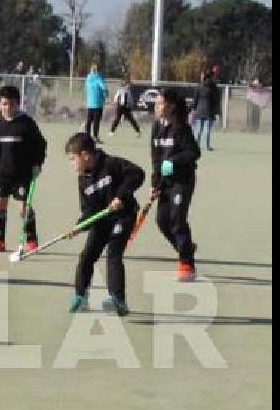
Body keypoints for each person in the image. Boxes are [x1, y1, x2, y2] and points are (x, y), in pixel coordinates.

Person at [63, 132, 144, 316]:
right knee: (87, 256)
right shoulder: (83, 180)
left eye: (72, 159)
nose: (71, 165)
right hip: (101, 220)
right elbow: (88, 210)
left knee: (113, 253)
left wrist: (121, 196)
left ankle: (118, 299)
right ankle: (80, 296)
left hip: (124, 216)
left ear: (85, 155)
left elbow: (137, 173)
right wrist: (79, 226)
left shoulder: (111, 163)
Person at [0, 85, 47, 253]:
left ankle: (31, 239)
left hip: (23, 174)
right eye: (4, 104)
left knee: (23, 208)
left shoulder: (26, 123)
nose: (8, 108)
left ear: (18, 104)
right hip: (3, 173)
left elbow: (40, 145)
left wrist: (38, 163)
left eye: (12, 104)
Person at [151, 88, 202, 282]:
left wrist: (173, 161)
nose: (156, 107)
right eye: (155, 103)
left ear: (170, 106)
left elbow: (194, 152)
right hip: (165, 182)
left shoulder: (181, 127)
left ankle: (186, 262)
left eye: (160, 103)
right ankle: (186, 247)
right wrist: (154, 183)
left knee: (177, 220)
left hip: (182, 180)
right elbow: (155, 157)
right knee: (162, 221)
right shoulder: (156, 126)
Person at [192, 69, 219, 151]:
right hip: (209, 111)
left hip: (199, 110)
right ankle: (207, 146)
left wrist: (194, 108)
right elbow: (216, 100)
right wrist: (216, 110)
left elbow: (195, 99)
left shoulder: (199, 86)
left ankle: (196, 145)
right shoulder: (214, 87)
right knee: (207, 130)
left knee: (198, 129)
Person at [84, 64, 108, 143]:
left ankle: (86, 136)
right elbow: (104, 88)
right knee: (96, 121)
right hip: (98, 103)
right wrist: (105, 96)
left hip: (89, 103)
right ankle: (95, 137)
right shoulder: (99, 78)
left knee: (89, 121)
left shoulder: (88, 78)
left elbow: (86, 88)